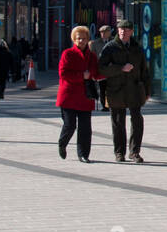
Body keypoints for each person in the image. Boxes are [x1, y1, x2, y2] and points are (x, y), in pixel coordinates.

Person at [99, 19, 150, 163]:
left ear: (131, 32)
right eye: (120, 29)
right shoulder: (110, 47)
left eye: (126, 29)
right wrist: (120, 68)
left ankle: (134, 152)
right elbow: (102, 68)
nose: (122, 32)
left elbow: (144, 70)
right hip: (116, 89)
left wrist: (147, 90)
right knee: (118, 122)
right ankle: (119, 152)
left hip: (134, 89)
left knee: (137, 120)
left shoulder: (137, 47)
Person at [57, 25, 101, 163]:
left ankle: (83, 154)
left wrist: (114, 72)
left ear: (88, 39)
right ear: (74, 40)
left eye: (84, 38)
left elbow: (96, 72)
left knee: (85, 128)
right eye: (78, 38)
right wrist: (81, 76)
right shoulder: (68, 54)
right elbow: (63, 73)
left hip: (85, 96)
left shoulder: (92, 56)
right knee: (70, 125)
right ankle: (62, 143)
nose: (81, 41)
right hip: (69, 95)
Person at [90, 25, 113, 111]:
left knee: (110, 88)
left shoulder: (114, 41)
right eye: (101, 32)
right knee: (102, 88)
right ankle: (105, 106)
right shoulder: (95, 43)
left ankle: (111, 104)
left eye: (105, 32)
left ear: (109, 33)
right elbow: (92, 56)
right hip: (101, 69)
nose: (103, 34)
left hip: (112, 69)